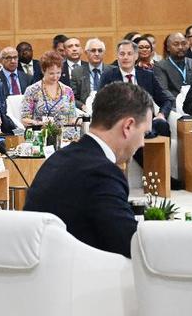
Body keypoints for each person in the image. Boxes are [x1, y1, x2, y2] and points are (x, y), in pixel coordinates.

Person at [24, 82, 153, 258]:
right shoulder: (103, 173)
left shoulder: (58, 158)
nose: (143, 143)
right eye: (144, 133)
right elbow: (131, 246)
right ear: (128, 126)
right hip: (76, 271)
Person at [99, 40, 173, 141]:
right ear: (117, 56)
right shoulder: (108, 76)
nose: (125, 57)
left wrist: (161, 114)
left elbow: (166, 100)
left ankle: (162, 151)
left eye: (129, 54)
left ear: (136, 56)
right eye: (122, 54)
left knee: (161, 124)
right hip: (120, 124)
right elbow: (101, 104)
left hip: (145, 122)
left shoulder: (147, 76)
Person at [21, 50, 78, 139]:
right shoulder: (32, 90)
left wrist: (78, 121)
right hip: (42, 135)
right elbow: (24, 119)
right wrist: (39, 124)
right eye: (51, 73)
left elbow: (72, 117)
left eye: (58, 73)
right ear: (43, 71)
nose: (55, 77)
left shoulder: (68, 91)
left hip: (66, 136)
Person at [154, 33, 192, 98]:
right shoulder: (160, 66)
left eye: (184, 44)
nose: (180, 47)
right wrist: (179, 103)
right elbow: (163, 90)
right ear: (168, 48)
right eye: (176, 44)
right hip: (174, 102)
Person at [70, 38, 112, 110]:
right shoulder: (77, 72)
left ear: (104, 53)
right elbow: (72, 97)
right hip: (85, 111)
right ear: (86, 53)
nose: (97, 54)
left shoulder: (112, 71)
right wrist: (82, 106)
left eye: (100, 51)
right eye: (93, 50)